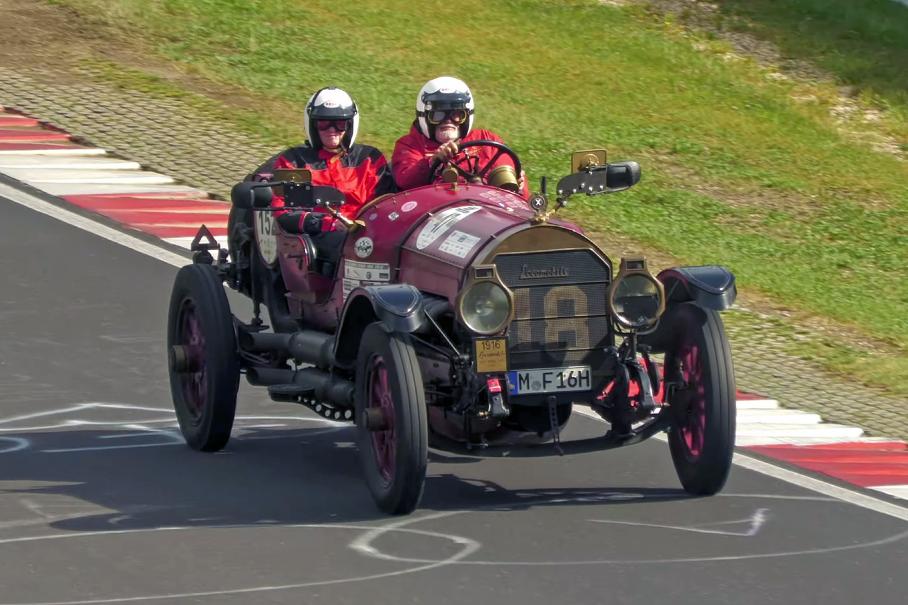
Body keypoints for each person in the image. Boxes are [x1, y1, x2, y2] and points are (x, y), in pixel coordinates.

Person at [251, 87, 394, 235]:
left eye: (340, 124)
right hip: (316, 236)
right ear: (313, 125)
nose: (332, 130)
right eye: (323, 123)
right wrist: (323, 224)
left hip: (366, 234)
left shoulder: (370, 159)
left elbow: (387, 203)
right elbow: (284, 212)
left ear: (350, 125)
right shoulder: (294, 162)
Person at [392, 76, 528, 198]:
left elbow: (509, 180)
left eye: (457, 114)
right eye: (438, 115)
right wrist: (433, 161)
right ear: (424, 116)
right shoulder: (410, 145)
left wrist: (516, 182)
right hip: (438, 209)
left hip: (488, 207)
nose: (448, 121)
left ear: (467, 116)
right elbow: (405, 181)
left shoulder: (486, 140)